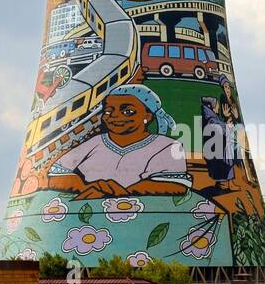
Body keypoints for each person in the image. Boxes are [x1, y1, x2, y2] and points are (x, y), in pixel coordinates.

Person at [46, 84, 190, 200]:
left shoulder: (167, 146)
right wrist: (88, 188)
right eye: (108, 111)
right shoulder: (95, 142)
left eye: (127, 111)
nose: (114, 116)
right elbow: (57, 173)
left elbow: (175, 185)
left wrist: (119, 193)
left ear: (148, 116)